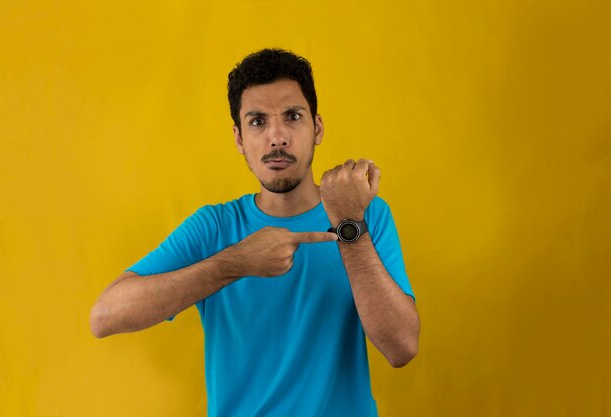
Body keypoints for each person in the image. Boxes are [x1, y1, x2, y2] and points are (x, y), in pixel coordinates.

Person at [90, 48, 420, 417]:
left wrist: (349, 224)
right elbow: (105, 316)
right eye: (258, 121)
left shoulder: (365, 214)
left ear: (318, 128)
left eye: (293, 117)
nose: (277, 137)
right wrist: (234, 264)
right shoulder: (214, 227)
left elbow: (402, 347)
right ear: (239, 138)